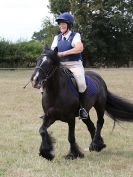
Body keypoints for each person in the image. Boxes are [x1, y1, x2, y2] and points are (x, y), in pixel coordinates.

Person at [51, 12, 88, 119]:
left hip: (74, 65)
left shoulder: (75, 36)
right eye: (60, 24)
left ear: (69, 25)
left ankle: (82, 109)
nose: (61, 26)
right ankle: (49, 107)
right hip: (60, 65)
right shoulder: (56, 38)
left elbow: (79, 48)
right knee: (46, 80)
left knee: (81, 83)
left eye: (63, 23)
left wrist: (63, 53)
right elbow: (53, 51)